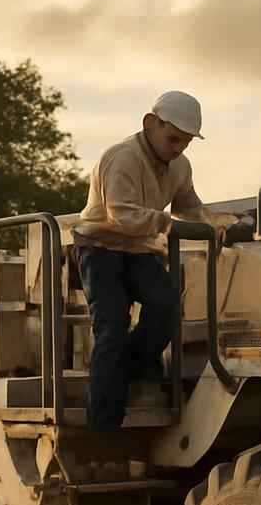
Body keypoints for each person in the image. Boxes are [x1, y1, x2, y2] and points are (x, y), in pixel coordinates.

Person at [72, 91, 235, 430]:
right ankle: (104, 422)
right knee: (111, 325)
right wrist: (169, 225)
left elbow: (188, 207)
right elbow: (122, 216)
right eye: (173, 139)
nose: (177, 148)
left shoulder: (180, 166)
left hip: (139, 248)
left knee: (166, 304)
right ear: (150, 124)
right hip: (99, 246)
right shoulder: (121, 158)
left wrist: (215, 224)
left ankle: (132, 367)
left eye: (185, 143)